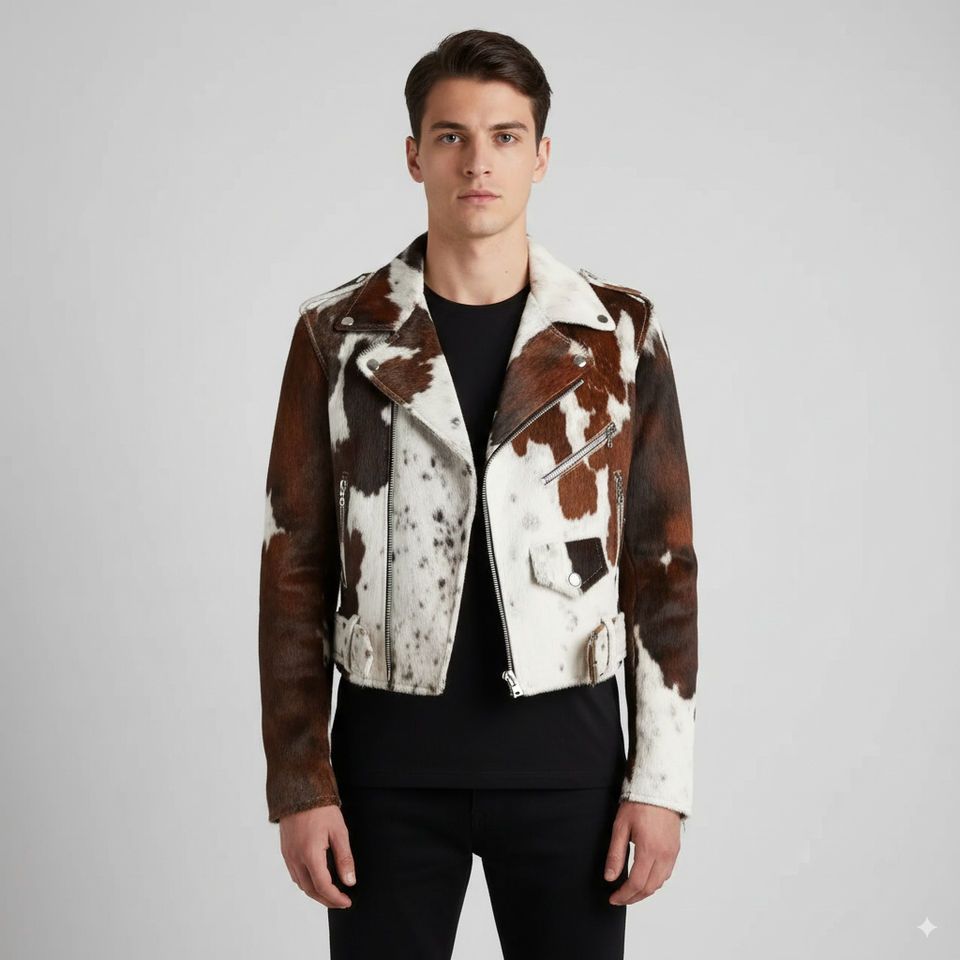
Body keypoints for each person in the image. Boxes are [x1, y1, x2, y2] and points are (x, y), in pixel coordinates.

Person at [258, 27, 699, 960]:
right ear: (413, 154)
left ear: (542, 155)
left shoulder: (617, 336)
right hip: (383, 780)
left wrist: (660, 783)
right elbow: (293, 566)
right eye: (451, 136)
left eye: (505, 136)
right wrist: (301, 782)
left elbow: (662, 567)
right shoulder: (339, 336)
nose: (477, 162)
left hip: (571, 774)